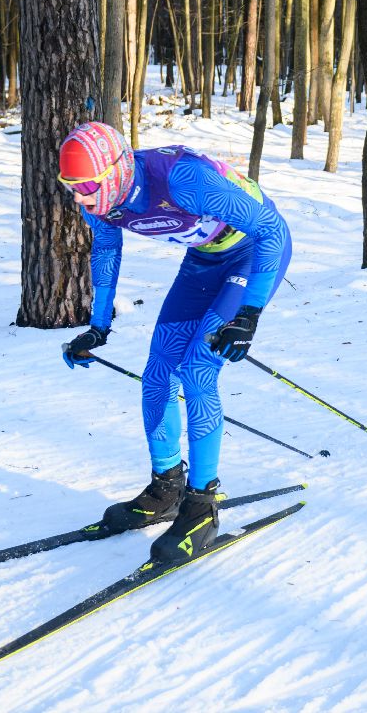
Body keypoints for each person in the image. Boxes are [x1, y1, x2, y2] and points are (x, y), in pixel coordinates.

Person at [56, 122, 292, 563]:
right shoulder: (100, 201)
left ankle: (202, 505)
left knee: (198, 369)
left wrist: (249, 314)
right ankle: (167, 488)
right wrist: (98, 326)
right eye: (69, 186)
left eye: (85, 186)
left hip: (253, 254)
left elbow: (272, 231)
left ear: (115, 172)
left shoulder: (183, 178)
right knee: (158, 374)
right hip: (203, 261)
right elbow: (106, 251)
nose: (78, 198)